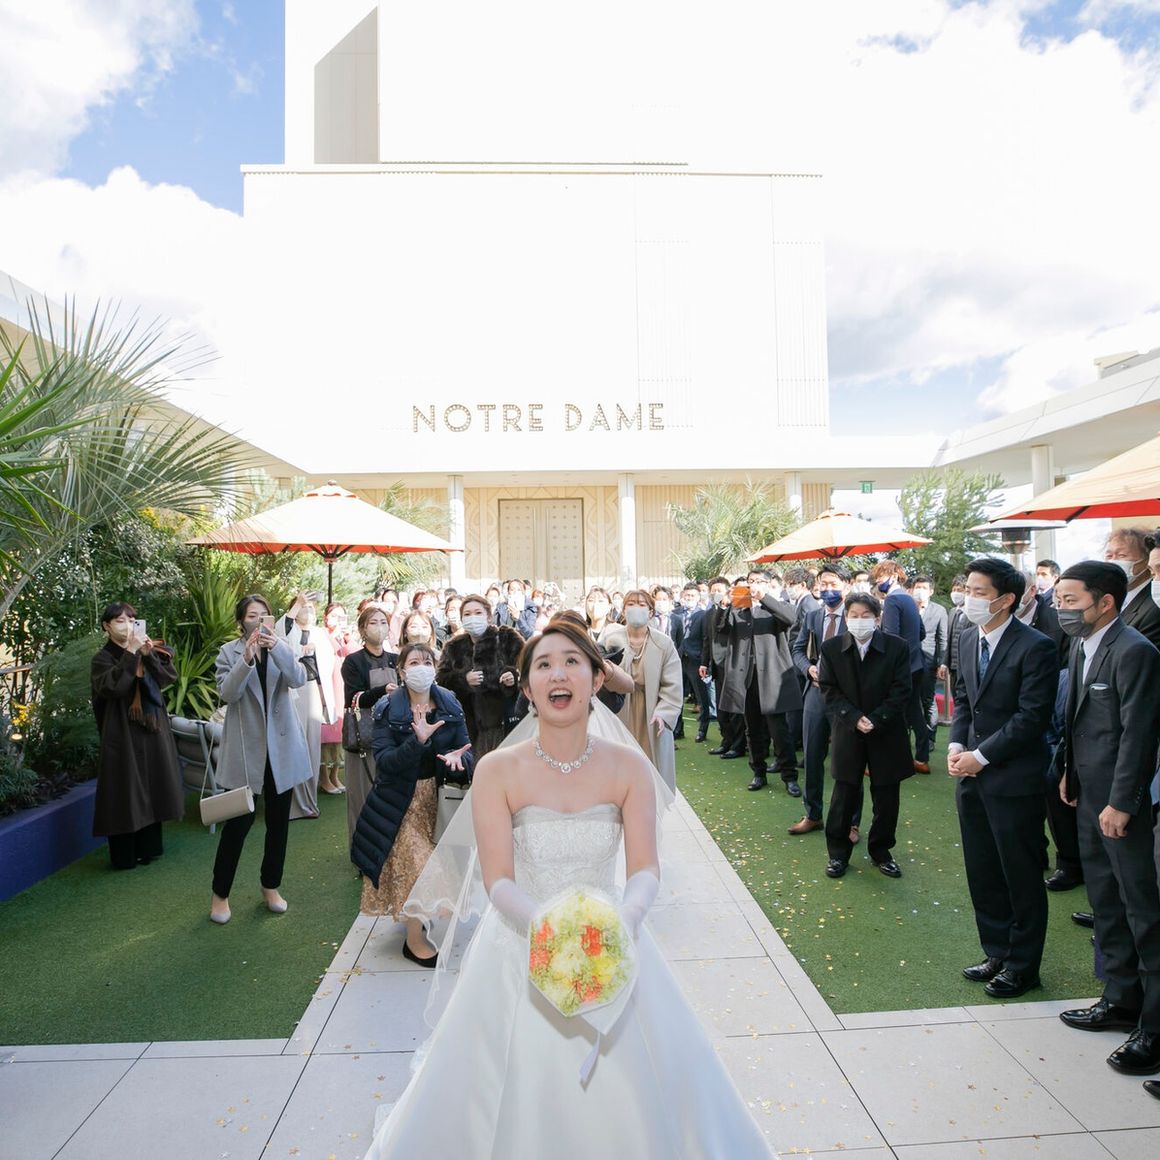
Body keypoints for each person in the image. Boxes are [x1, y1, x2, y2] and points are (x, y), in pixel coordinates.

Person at [361, 620, 774, 1157]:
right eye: (544, 665)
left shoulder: (629, 765)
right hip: (519, 940)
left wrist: (623, 921)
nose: (558, 674)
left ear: (597, 680)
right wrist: (547, 930)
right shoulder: (497, 769)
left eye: (572, 662)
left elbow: (645, 868)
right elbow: (498, 878)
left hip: (611, 936)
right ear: (527, 688)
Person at [1055, 561, 1160, 1077]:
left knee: (1142, 911)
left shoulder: (1135, 651)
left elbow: (1139, 735)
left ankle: (1153, 1028)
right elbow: (1078, 722)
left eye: (1071, 601)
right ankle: (1119, 998)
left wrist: (1122, 802)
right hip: (1087, 796)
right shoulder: (1081, 645)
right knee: (1105, 902)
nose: (1062, 609)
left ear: (1105, 602)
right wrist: (1069, 773)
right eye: (1058, 600)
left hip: (1122, 806)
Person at [949, 558, 1057, 999]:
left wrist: (981, 756)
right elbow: (963, 700)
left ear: (1006, 599)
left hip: (1014, 779)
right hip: (972, 778)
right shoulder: (967, 637)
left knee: (1020, 873)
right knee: (983, 870)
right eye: (968, 590)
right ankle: (997, 951)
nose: (968, 599)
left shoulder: (1036, 647)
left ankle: (1023, 966)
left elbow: (1032, 717)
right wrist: (957, 745)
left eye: (979, 592)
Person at [351, 643, 473, 965]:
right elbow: (385, 761)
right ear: (402, 671)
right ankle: (414, 942)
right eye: (414, 662)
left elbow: (465, 749)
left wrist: (459, 760)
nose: (422, 667)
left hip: (438, 798)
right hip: (400, 801)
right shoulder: (387, 708)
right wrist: (417, 742)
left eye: (427, 661)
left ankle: (418, 919)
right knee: (419, 867)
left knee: (439, 864)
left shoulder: (449, 703)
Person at [209, 594, 313, 924]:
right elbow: (228, 694)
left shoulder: (281, 645)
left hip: (281, 749)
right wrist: (247, 659)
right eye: (251, 615)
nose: (258, 620)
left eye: (263, 615)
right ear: (241, 621)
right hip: (246, 750)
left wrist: (276, 647)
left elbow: (298, 678)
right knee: (237, 825)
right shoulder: (229, 652)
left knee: (279, 824)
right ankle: (220, 894)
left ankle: (271, 886)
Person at [817, 592, 913, 879]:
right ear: (846, 618)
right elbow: (828, 689)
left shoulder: (897, 647)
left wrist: (877, 718)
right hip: (848, 730)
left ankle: (881, 851)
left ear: (877, 619)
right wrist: (853, 717)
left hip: (887, 730)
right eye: (854, 616)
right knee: (844, 794)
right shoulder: (831, 648)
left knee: (886, 796)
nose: (859, 621)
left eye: (866, 616)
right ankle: (838, 854)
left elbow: (902, 689)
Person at [90, 602, 184, 870]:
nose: (127, 626)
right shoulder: (101, 659)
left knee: (154, 784)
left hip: (152, 729)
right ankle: (124, 856)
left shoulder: (146, 650)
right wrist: (131, 653)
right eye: (120, 621)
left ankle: (149, 849)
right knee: (124, 790)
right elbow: (114, 687)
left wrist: (147, 654)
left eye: (131, 621)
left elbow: (167, 677)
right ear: (107, 626)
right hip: (121, 733)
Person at [789, 564, 861, 842]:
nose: (828, 589)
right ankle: (813, 814)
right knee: (812, 755)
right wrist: (808, 668)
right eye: (823, 584)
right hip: (816, 694)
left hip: (847, 697)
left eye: (833, 584)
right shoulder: (813, 615)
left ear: (846, 585)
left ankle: (851, 822)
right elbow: (797, 649)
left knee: (849, 758)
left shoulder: (856, 615)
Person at [715, 571, 802, 794]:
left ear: (768, 584)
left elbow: (791, 619)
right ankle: (758, 773)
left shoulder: (777, 606)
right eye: (750, 581)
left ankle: (789, 776)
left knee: (779, 730)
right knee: (752, 729)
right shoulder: (739, 609)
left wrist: (763, 597)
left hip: (772, 677)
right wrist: (724, 606)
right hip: (745, 678)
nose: (753, 585)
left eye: (758, 581)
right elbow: (721, 630)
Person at [601, 589, 683, 792]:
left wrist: (664, 713)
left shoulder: (663, 643)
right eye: (630, 604)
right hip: (620, 709)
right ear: (623, 610)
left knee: (651, 772)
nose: (635, 608)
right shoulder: (611, 639)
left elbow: (672, 684)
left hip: (652, 712)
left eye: (641, 604)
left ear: (651, 612)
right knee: (619, 768)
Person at [436, 594, 524, 759]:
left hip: (505, 722)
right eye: (467, 614)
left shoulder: (507, 638)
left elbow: (526, 668)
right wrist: (463, 680)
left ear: (488, 616)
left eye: (478, 613)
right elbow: (441, 680)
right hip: (468, 727)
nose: (473, 618)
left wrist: (512, 676)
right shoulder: (454, 647)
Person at [341, 605, 400, 840]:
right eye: (373, 623)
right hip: (364, 739)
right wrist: (382, 691)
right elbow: (353, 698)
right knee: (362, 796)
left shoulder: (396, 660)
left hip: (394, 736)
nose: (379, 627)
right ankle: (361, 849)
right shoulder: (353, 662)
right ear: (363, 629)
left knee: (392, 796)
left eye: (383, 622)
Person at [277, 592, 335, 819]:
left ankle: (308, 802)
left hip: (312, 691)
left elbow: (325, 669)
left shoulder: (320, 634)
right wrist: (301, 650)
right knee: (293, 745)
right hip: (292, 692)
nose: (307, 610)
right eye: (303, 606)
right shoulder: (289, 628)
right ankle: (290, 804)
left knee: (311, 747)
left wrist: (323, 695)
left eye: (311, 607)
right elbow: (282, 639)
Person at [869, 561, 927, 773]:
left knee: (892, 713)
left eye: (881, 577)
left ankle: (891, 758)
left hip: (899, 667)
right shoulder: (909, 599)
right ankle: (921, 757)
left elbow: (890, 636)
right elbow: (921, 632)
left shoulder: (893, 600)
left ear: (893, 576)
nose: (878, 581)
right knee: (914, 711)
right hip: (916, 664)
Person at [701, 576, 747, 760]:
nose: (716, 593)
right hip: (717, 665)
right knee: (721, 708)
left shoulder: (739, 609)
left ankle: (738, 745)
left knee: (735, 708)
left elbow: (726, 629)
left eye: (719, 590)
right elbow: (707, 639)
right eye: (713, 591)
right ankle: (726, 741)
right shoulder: (709, 613)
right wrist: (704, 662)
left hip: (735, 664)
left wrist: (727, 606)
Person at [910, 575, 947, 769]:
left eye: (924, 587)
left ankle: (930, 737)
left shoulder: (939, 610)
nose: (920, 590)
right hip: (908, 662)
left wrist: (942, 663)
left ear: (931, 591)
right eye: (918, 587)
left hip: (929, 661)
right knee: (910, 701)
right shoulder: (908, 607)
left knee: (928, 700)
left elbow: (943, 638)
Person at [1104, 527, 1160, 648]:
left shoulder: (1155, 604)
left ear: (1145, 560)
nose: (1113, 561)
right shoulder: (1106, 599)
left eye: (1121, 555)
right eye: (1109, 556)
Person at [673, 582, 712, 742]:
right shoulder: (675, 613)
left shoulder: (703, 614)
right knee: (677, 696)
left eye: (692, 595)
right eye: (687, 595)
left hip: (695, 660)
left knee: (701, 696)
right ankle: (678, 728)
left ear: (698, 597)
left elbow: (706, 639)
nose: (689, 598)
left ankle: (703, 729)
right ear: (682, 596)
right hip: (678, 659)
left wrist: (704, 661)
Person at [320, 602, 351, 795]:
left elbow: (352, 653)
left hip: (342, 687)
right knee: (325, 733)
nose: (338, 620)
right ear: (326, 617)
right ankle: (324, 777)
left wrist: (347, 637)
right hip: (328, 687)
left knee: (339, 733)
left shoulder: (345, 637)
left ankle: (334, 775)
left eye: (342, 616)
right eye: (334, 616)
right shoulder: (322, 635)